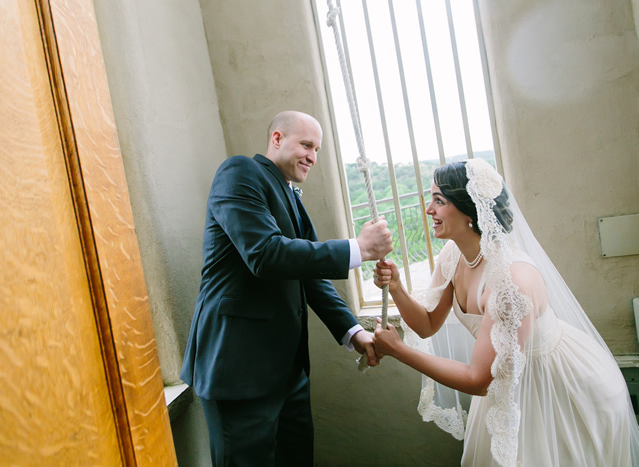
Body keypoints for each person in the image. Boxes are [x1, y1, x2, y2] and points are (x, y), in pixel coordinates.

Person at [372, 159, 639, 467]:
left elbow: (478, 380)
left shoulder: (510, 285)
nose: (428, 210)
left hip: (558, 388)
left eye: (438, 201)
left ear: (469, 209)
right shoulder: (454, 254)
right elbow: (427, 324)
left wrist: (398, 351)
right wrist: (396, 287)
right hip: (505, 380)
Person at [180, 110, 393, 466]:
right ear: (277, 139)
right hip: (238, 373)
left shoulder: (292, 197)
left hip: (288, 373)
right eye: (306, 144)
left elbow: (309, 277)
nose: (312, 156)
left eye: (318, 149)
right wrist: (358, 249)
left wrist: (353, 332)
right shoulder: (238, 173)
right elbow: (265, 254)